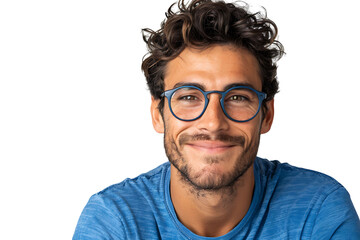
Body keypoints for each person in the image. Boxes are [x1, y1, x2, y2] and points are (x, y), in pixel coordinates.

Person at [72, 0, 360, 239]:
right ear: (157, 114)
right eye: (188, 97)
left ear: (267, 114)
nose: (213, 123)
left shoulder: (318, 210)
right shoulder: (114, 220)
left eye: (237, 97)